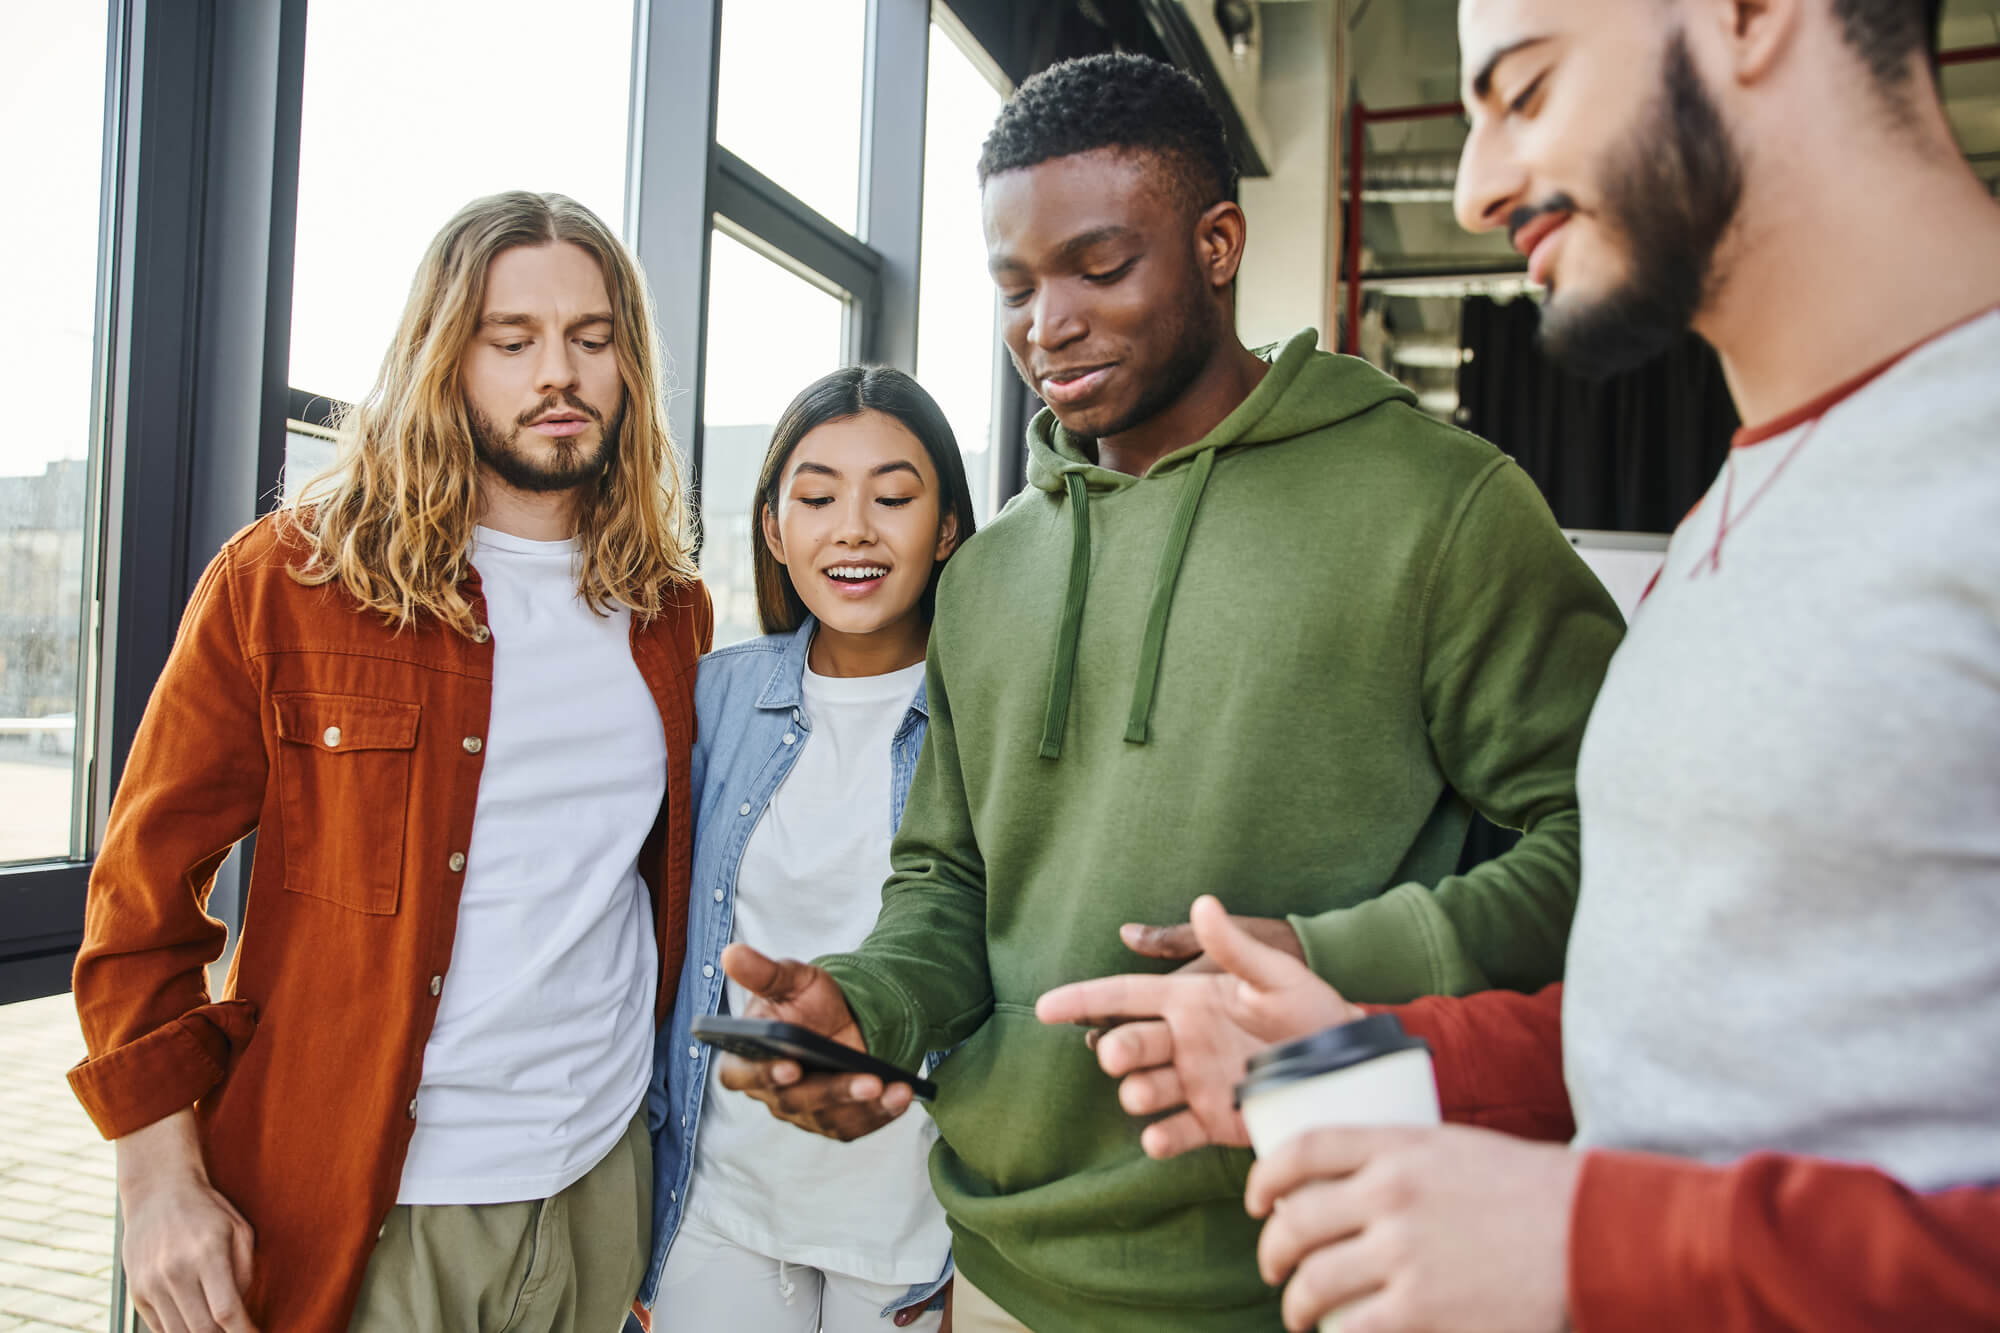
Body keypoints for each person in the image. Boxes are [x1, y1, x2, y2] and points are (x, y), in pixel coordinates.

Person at [1039, 1, 2000, 1328]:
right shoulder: (1745, 501)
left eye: (1528, 90)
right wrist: (1379, 1056)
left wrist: (1596, 1242)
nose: (1484, 183)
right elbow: (1684, 1037)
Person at [713, 53, 1625, 1332]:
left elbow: (1617, 846)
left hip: (1310, 1273)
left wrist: (1324, 959)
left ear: (1215, 243)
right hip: (998, 1271)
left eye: (1098, 267)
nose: (1048, 324)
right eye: (1015, 285)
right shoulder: (992, 576)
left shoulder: (1444, 510)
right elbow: (953, 884)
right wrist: (871, 999)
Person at [66, 191, 711, 1333]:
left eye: (591, 338)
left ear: (629, 365)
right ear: (444, 356)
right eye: (511, 341)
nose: (555, 372)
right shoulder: (285, 585)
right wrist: (156, 1179)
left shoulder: (669, 613)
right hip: (369, 1207)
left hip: (602, 1183)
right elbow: (137, 906)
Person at [635, 368, 973, 1331]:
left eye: (894, 497)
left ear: (946, 528)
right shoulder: (713, 700)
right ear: (776, 531)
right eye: (817, 497)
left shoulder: (985, 715)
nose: (854, 528)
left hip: (907, 1220)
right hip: (721, 1206)